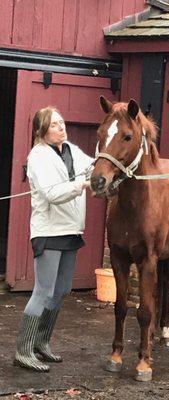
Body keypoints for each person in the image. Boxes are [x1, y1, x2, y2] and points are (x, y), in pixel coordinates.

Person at [14, 107, 93, 372]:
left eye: (61, 122)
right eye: (54, 124)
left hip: (71, 230)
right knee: (44, 291)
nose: (61, 127)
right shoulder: (38, 156)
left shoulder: (71, 149)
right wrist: (79, 185)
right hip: (48, 231)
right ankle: (23, 350)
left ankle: (41, 343)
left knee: (61, 291)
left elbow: (93, 166)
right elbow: (51, 194)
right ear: (41, 131)